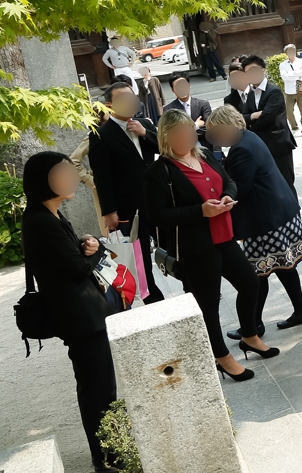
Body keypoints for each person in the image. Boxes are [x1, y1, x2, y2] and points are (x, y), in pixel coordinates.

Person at [142, 110, 278, 382]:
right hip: (196, 246)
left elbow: (228, 180)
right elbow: (157, 217)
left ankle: (250, 335)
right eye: (180, 133)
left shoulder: (203, 153)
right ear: (166, 137)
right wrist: (200, 211)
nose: (187, 137)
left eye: (190, 131)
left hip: (224, 235)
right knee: (209, 304)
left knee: (250, 283)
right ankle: (221, 356)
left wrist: (228, 196)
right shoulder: (160, 170)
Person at [22, 152, 118, 473]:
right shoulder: (39, 219)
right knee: (97, 391)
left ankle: (109, 451)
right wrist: (97, 251)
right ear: (42, 181)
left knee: (99, 386)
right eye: (61, 173)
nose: (70, 178)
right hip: (79, 319)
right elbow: (76, 269)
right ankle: (106, 457)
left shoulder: (50, 214)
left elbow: (62, 259)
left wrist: (84, 244)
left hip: (83, 314)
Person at [205, 106, 302, 341]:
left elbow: (239, 190)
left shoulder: (241, 151)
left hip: (265, 220)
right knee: (284, 266)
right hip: (279, 212)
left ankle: (253, 325)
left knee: (257, 273)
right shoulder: (249, 138)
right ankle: (299, 310)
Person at [88, 82, 164, 303]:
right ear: (110, 105)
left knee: (171, 246)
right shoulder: (101, 134)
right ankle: (152, 299)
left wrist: (145, 134)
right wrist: (109, 211)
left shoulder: (143, 124)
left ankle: (190, 286)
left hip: (157, 201)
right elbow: (102, 176)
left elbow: (165, 149)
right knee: (140, 258)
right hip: (129, 209)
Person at [240, 55, 297, 187]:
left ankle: (293, 208)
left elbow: (267, 118)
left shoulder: (274, 91)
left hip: (278, 145)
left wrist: (249, 123)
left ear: (263, 70)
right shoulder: (251, 93)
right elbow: (242, 116)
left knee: (286, 183)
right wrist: (253, 116)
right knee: (271, 185)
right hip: (261, 146)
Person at [279, 44, 302, 135]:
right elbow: (284, 77)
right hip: (289, 91)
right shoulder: (283, 64)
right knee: (289, 111)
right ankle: (294, 126)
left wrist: (291, 74)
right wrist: (296, 74)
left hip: (300, 89)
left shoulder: (301, 62)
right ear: (286, 53)